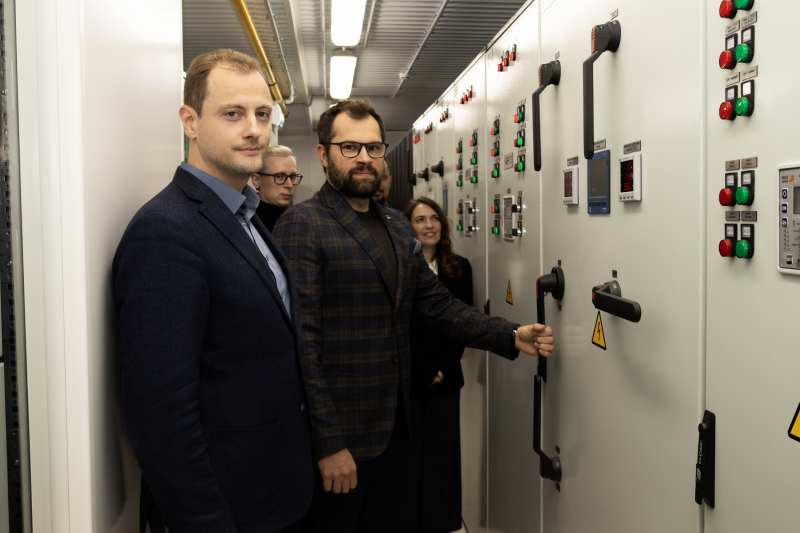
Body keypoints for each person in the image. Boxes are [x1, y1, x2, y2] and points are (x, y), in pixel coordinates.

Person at [272, 98, 554, 533]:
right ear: (324, 155)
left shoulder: (396, 224)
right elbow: (302, 343)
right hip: (343, 440)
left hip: (397, 431)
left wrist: (510, 333)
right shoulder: (303, 224)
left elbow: (437, 304)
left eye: (373, 147)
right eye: (350, 147)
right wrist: (327, 444)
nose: (364, 158)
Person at [112, 49, 312, 533]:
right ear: (190, 122)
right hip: (225, 508)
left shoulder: (245, 215)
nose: (254, 130)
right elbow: (162, 415)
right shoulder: (165, 231)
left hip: (275, 491)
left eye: (262, 114)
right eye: (232, 114)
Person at [401, 197, 471, 533]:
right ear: (408, 227)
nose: (429, 225)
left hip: (446, 377)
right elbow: (398, 326)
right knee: (410, 457)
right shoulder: (400, 268)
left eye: (434, 218)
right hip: (410, 377)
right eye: (420, 220)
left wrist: (442, 368)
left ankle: (442, 522)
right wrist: (421, 369)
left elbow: (464, 321)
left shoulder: (459, 267)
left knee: (443, 455)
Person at [251, 145, 303, 232]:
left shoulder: (301, 222)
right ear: (257, 180)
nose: (289, 185)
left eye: (292, 177)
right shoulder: (244, 223)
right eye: (279, 176)